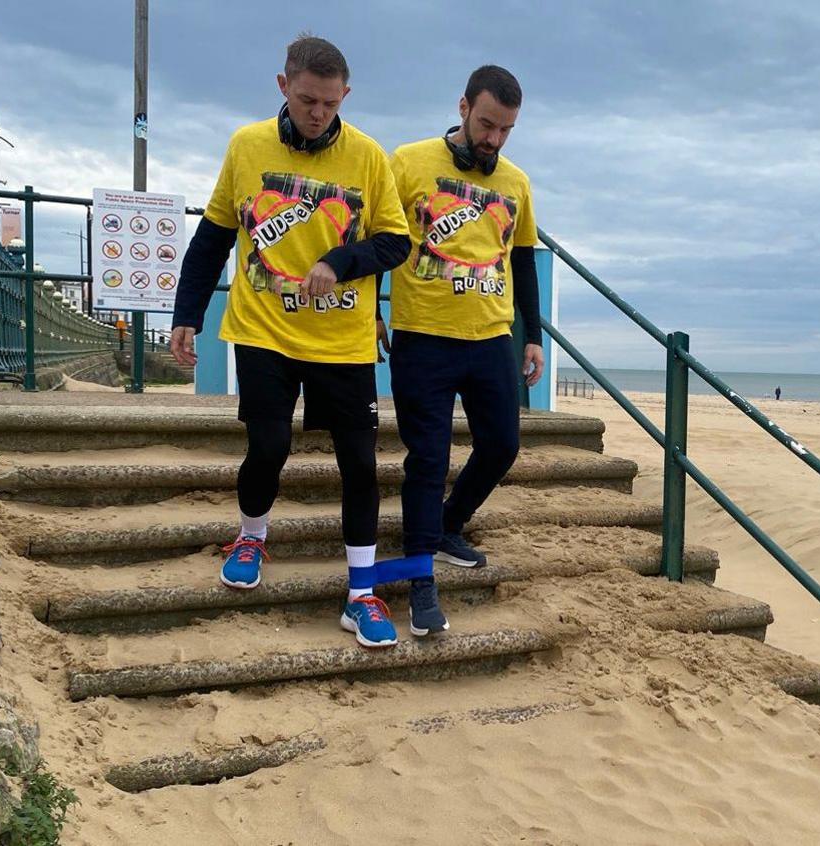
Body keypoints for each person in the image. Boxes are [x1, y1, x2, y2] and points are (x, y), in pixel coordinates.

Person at [169, 34, 413, 648]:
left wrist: (342, 259)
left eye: (330, 104)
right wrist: (186, 314)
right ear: (283, 86)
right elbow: (212, 239)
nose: (318, 114)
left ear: (345, 96)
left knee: (360, 464)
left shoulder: (367, 156)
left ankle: (361, 593)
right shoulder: (246, 146)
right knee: (270, 444)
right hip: (264, 330)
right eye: (307, 100)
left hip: (343, 340)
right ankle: (252, 534)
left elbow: (396, 242)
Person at [385, 65, 544, 638]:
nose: (494, 140)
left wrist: (533, 335)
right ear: (462, 108)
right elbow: (375, 239)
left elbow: (522, 260)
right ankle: (419, 580)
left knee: (502, 445)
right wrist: (370, 311)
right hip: (424, 337)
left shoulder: (517, 184)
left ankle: (450, 525)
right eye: (486, 125)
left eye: (505, 131)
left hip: (491, 337)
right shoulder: (408, 161)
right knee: (427, 459)